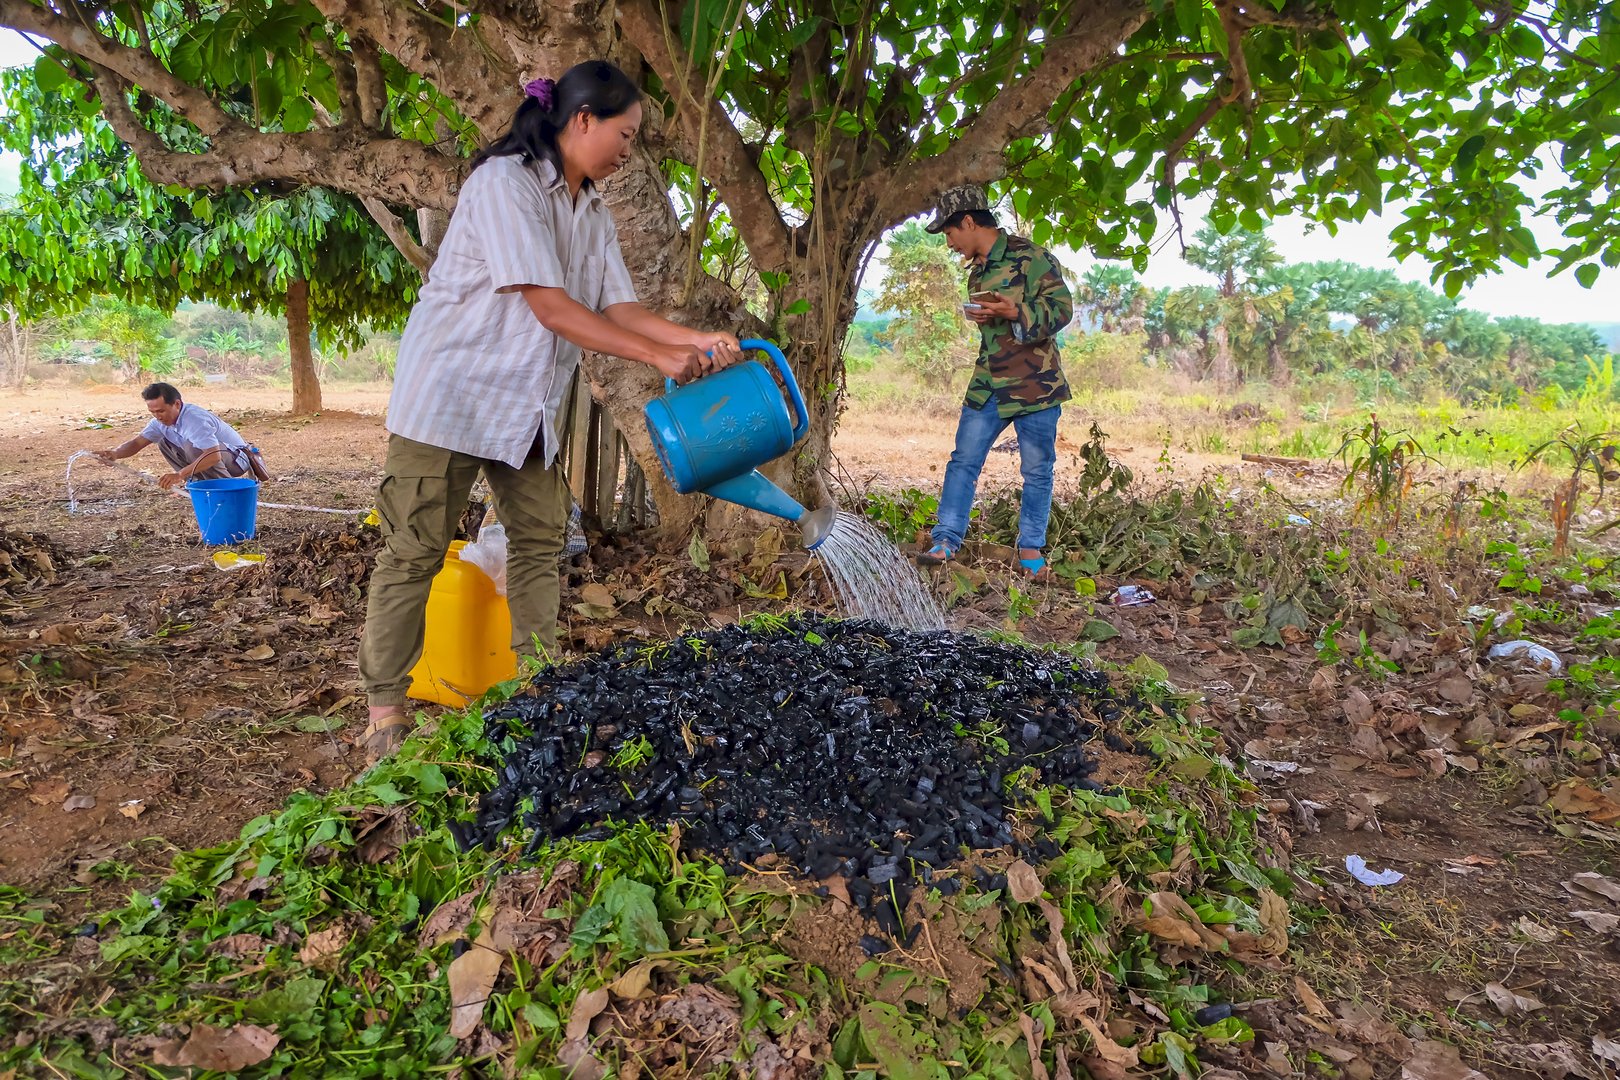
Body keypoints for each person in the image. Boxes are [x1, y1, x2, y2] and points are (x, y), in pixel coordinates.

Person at [359, 60, 741, 763]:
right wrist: (655, 359)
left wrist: (696, 339)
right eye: (624, 133)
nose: (630, 149)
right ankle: (386, 711)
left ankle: (534, 687)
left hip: (521, 404)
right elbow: (551, 306)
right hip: (451, 394)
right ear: (583, 120)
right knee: (414, 549)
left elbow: (618, 305)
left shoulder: (590, 208)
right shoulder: (506, 185)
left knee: (538, 537)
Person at [915, 185, 1074, 577]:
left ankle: (1030, 552)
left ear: (969, 222)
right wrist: (990, 317)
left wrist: (1016, 310)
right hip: (988, 383)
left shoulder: (1033, 257)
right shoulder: (977, 273)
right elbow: (996, 331)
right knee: (963, 462)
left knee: (1037, 470)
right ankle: (945, 542)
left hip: (1035, 384)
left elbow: (1062, 309)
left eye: (951, 234)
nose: (950, 243)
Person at [94, 382, 265, 489]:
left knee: (194, 446)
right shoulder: (159, 423)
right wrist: (115, 453)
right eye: (152, 412)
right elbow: (137, 443)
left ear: (177, 404)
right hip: (216, 456)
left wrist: (179, 474)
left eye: (161, 410)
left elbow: (213, 456)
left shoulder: (194, 419)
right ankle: (198, 485)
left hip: (237, 460)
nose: (158, 416)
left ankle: (222, 488)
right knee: (163, 442)